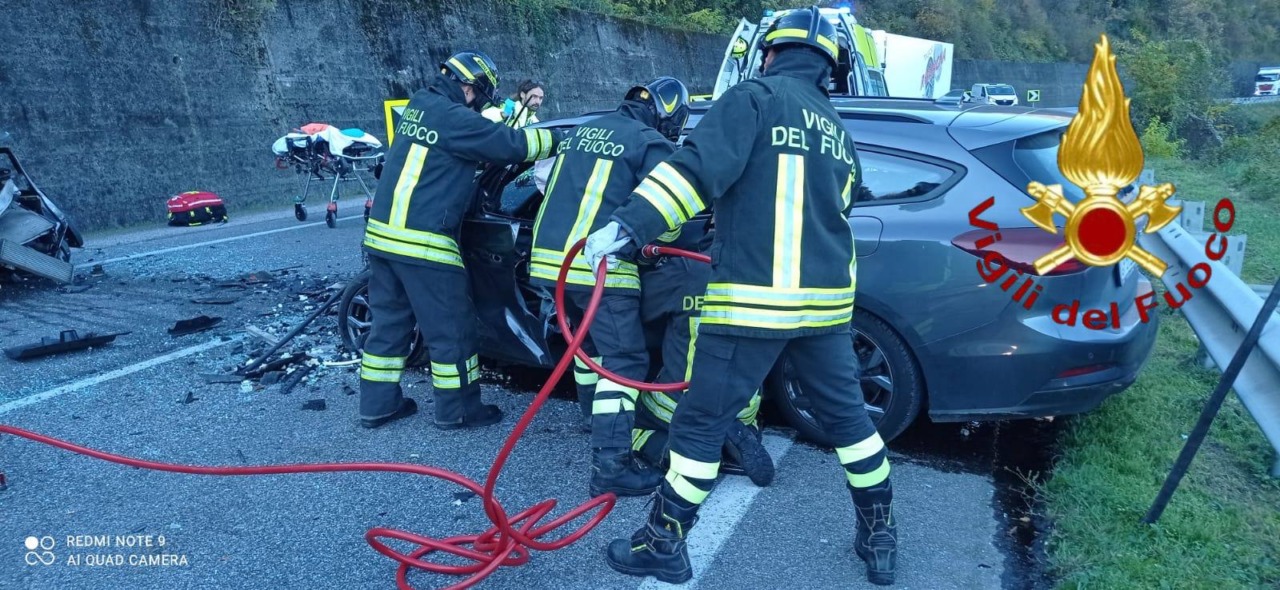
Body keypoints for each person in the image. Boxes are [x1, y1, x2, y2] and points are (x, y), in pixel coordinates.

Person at [586, 7, 898, 585]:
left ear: (769, 53)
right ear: (831, 66)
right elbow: (841, 213)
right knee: (851, 422)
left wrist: (628, 227)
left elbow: (694, 172)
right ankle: (879, 537)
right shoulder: (838, 133)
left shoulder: (753, 98)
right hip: (825, 311)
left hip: (751, 306)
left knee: (700, 425)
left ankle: (663, 541)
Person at [359, 51, 561, 431]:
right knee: (451, 330)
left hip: (383, 239)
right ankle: (459, 410)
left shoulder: (420, 105)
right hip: (424, 244)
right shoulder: (456, 119)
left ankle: (377, 405)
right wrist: (560, 138)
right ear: (469, 86)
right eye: (480, 96)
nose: (479, 104)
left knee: (388, 325)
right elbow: (513, 146)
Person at [527, 77, 690, 498]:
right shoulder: (650, 142)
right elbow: (666, 209)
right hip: (601, 265)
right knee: (624, 359)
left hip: (550, 262)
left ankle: (593, 418)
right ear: (669, 116)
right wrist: (659, 246)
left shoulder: (584, 130)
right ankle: (612, 463)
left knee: (589, 351)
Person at [632, 220, 775, 488]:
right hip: (744, 401)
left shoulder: (687, 271)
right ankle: (739, 432)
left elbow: (640, 315)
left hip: (681, 403)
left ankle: (671, 452)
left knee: (626, 424)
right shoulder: (769, 273)